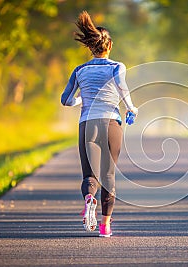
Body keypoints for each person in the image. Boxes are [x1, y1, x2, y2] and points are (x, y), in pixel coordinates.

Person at [61, 11, 138, 237]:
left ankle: (88, 199)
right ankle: (105, 226)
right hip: (111, 124)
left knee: (89, 176)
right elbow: (122, 87)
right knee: (109, 176)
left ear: (90, 47)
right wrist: (131, 108)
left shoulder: (80, 70)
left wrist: (82, 100)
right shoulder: (116, 67)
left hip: (87, 124)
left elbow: (65, 100)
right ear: (109, 46)